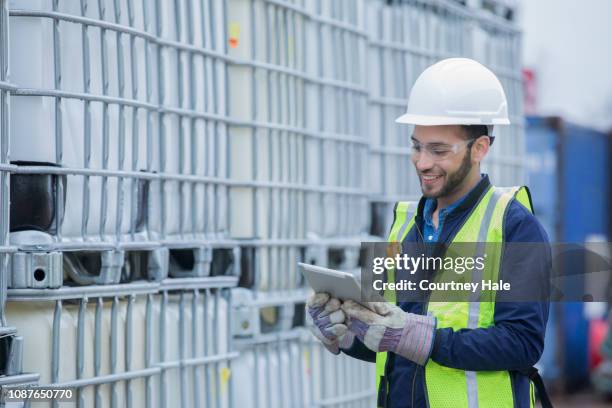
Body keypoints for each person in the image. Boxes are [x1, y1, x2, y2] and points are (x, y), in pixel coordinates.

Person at [307, 58, 551, 408]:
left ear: (480, 148)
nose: (422, 162)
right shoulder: (402, 224)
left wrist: (423, 338)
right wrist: (345, 332)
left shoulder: (516, 226)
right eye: (417, 146)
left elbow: (522, 342)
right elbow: (387, 340)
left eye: (438, 150)